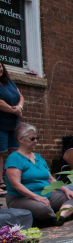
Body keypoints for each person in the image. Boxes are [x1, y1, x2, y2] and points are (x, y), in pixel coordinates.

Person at [5, 123, 73, 226]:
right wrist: (36, 197)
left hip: (45, 195)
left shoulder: (38, 157)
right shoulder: (14, 158)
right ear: (21, 139)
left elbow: (50, 179)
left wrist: (66, 190)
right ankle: (65, 214)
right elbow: (15, 184)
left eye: (37, 138)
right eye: (32, 139)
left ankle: (60, 217)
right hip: (22, 198)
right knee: (42, 208)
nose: (35, 141)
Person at [0, 62, 23, 195]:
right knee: (0, 153)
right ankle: (0, 182)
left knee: (15, 152)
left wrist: (20, 107)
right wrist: (13, 110)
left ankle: (15, 179)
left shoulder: (9, 82)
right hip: (1, 123)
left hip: (13, 124)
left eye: (0, 66)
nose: (0, 69)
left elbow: (20, 97)